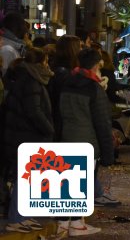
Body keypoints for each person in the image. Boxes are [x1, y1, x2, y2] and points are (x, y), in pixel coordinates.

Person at [58, 48, 114, 236]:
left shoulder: (66, 82)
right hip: (87, 143)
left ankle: (64, 223)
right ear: (97, 64)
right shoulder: (93, 88)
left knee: (67, 183)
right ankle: (76, 224)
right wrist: (108, 153)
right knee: (83, 184)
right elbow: (102, 123)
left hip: (66, 139)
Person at [3, 48, 53, 233]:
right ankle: (16, 218)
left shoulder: (28, 79)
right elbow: (34, 112)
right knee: (24, 178)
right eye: (46, 61)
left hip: (25, 135)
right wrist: (49, 129)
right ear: (40, 63)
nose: (48, 64)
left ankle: (22, 215)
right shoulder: (31, 81)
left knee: (27, 178)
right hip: (27, 136)